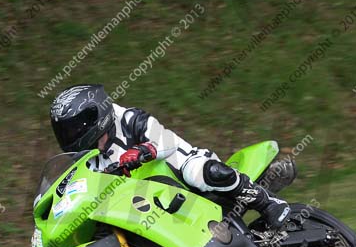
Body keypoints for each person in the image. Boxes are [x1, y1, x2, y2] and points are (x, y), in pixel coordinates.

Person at [49, 84, 291, 229]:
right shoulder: (86, 158)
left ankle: (268, 202)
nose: (71, 134)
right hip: (144, 202)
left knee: (205, 173)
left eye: (75, 127)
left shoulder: (131, 119)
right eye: (66, 130)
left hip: (177, 168)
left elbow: (165, 142)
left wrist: (142, 151)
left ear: (96, 115)